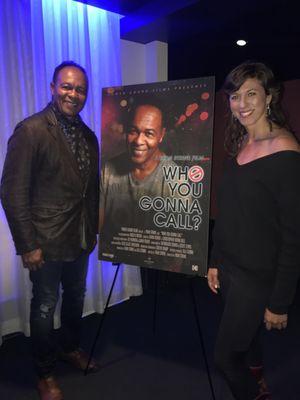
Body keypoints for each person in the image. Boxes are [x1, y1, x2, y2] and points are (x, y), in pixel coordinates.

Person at [1, 61, 99, 400]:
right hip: (44, 241)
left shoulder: (89, 136)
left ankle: (70, 347)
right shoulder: (31, 131)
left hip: (80, 238)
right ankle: (44, 373)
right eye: (67, 86)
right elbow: (12, 192)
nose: (74, 94)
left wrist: (95, 227)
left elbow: (91, 188)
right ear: (53, 87)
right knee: (44, 305)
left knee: (75, 298)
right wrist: (27, 244)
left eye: (80, 89)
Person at [207, 61, 300, 400]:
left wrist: (279, 302)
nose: (242, 104)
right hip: (230, 269)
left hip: (256, 277)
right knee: (248, 341)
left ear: (269, 97)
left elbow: (293, 236)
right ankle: (258, 379)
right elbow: (229, 213)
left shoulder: (286, 152)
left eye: (251, 94)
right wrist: (215, 261)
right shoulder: (240, 145)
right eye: (234, 96)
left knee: (225, 358)